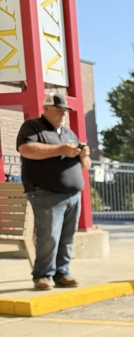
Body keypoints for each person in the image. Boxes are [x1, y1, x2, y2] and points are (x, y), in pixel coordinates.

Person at [16, 92, 91, 291]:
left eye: (65, 111)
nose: (63, 114)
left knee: (67, 236)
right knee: (48, 236)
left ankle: (62, 273)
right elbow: (26, 149)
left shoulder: (68, 133)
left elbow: (85, 166)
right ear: (46, 109)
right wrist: (60, 150)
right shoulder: (33, 127)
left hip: (73, 195)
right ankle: (42, 275)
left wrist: (84, 155)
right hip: (46, 193)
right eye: (58, 111)